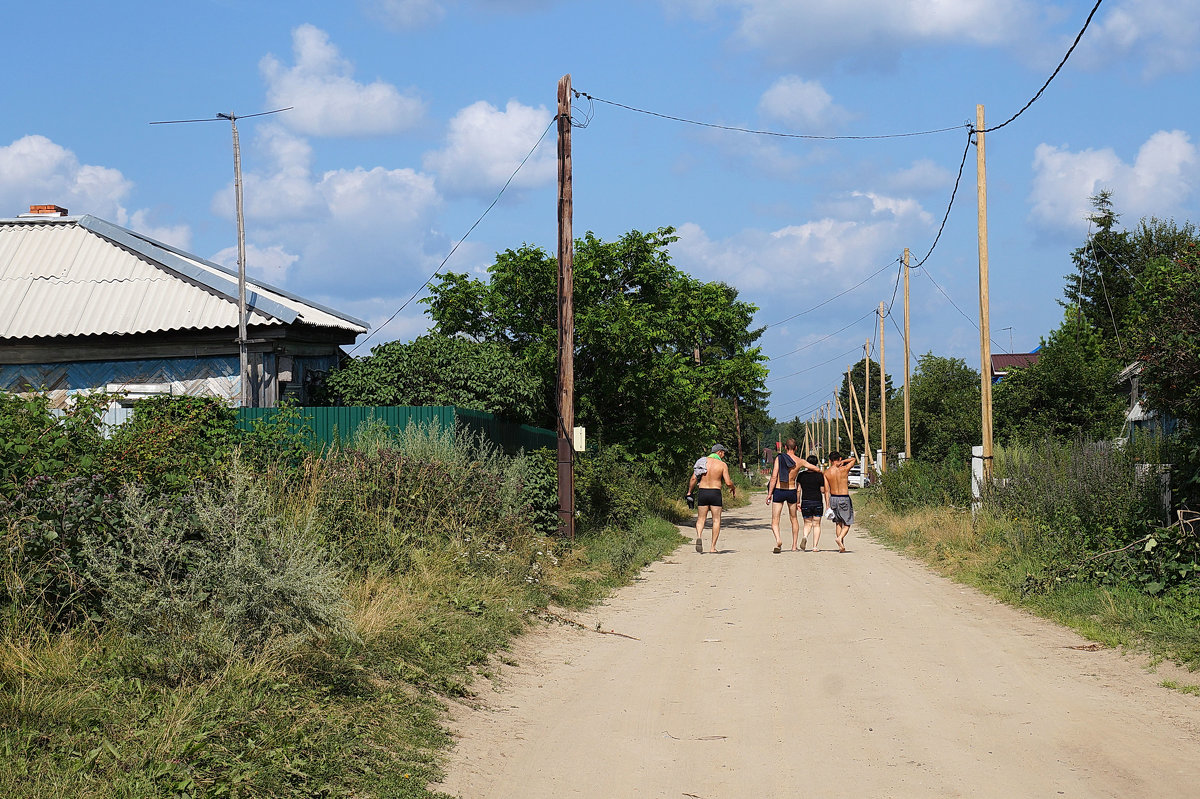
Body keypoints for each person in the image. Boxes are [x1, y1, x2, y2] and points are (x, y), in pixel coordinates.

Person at [688, 444, 735, 553]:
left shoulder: (701, 462)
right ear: (719, 452)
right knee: (716, 520)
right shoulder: (722, 465)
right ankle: (712, 548)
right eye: (723, 452)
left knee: (701, 519)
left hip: (703, 491)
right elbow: (728, 483)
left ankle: (699, 536)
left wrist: (689, 491)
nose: (724, 455)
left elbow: (693, 478)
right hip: (715, 492)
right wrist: (733, 487)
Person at [765, 438, 802, 553]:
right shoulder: (799, 461)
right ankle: (794, 546)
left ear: (785, 447)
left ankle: (778, 540)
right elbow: (813, 468)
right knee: (794, 519)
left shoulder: (779, 458)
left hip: (779, 490)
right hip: (792, 491)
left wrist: (769, 494)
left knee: (775, 520)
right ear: (796, 448)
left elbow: (774, 477)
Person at [822, 451, 858, 552]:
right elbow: (854, 459)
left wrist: (827, 505)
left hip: (833, 497)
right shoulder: (844, 469)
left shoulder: (827, 472)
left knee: (838, 522)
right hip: (844, 497)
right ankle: (839, 538)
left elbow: (826, 490)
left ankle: (840, 545)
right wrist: (844, 461)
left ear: (829, 460)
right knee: (847, 522)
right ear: (840, 459)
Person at [795, 451, 828, 551]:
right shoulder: (819, 476)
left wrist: (798, 502)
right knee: (816, 524)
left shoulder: (801, 475)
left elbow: (798, 490)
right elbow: (822, 491)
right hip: (817, 501)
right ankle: (814, 546)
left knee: (807, 523)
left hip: (805, 501)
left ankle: (805, 536)